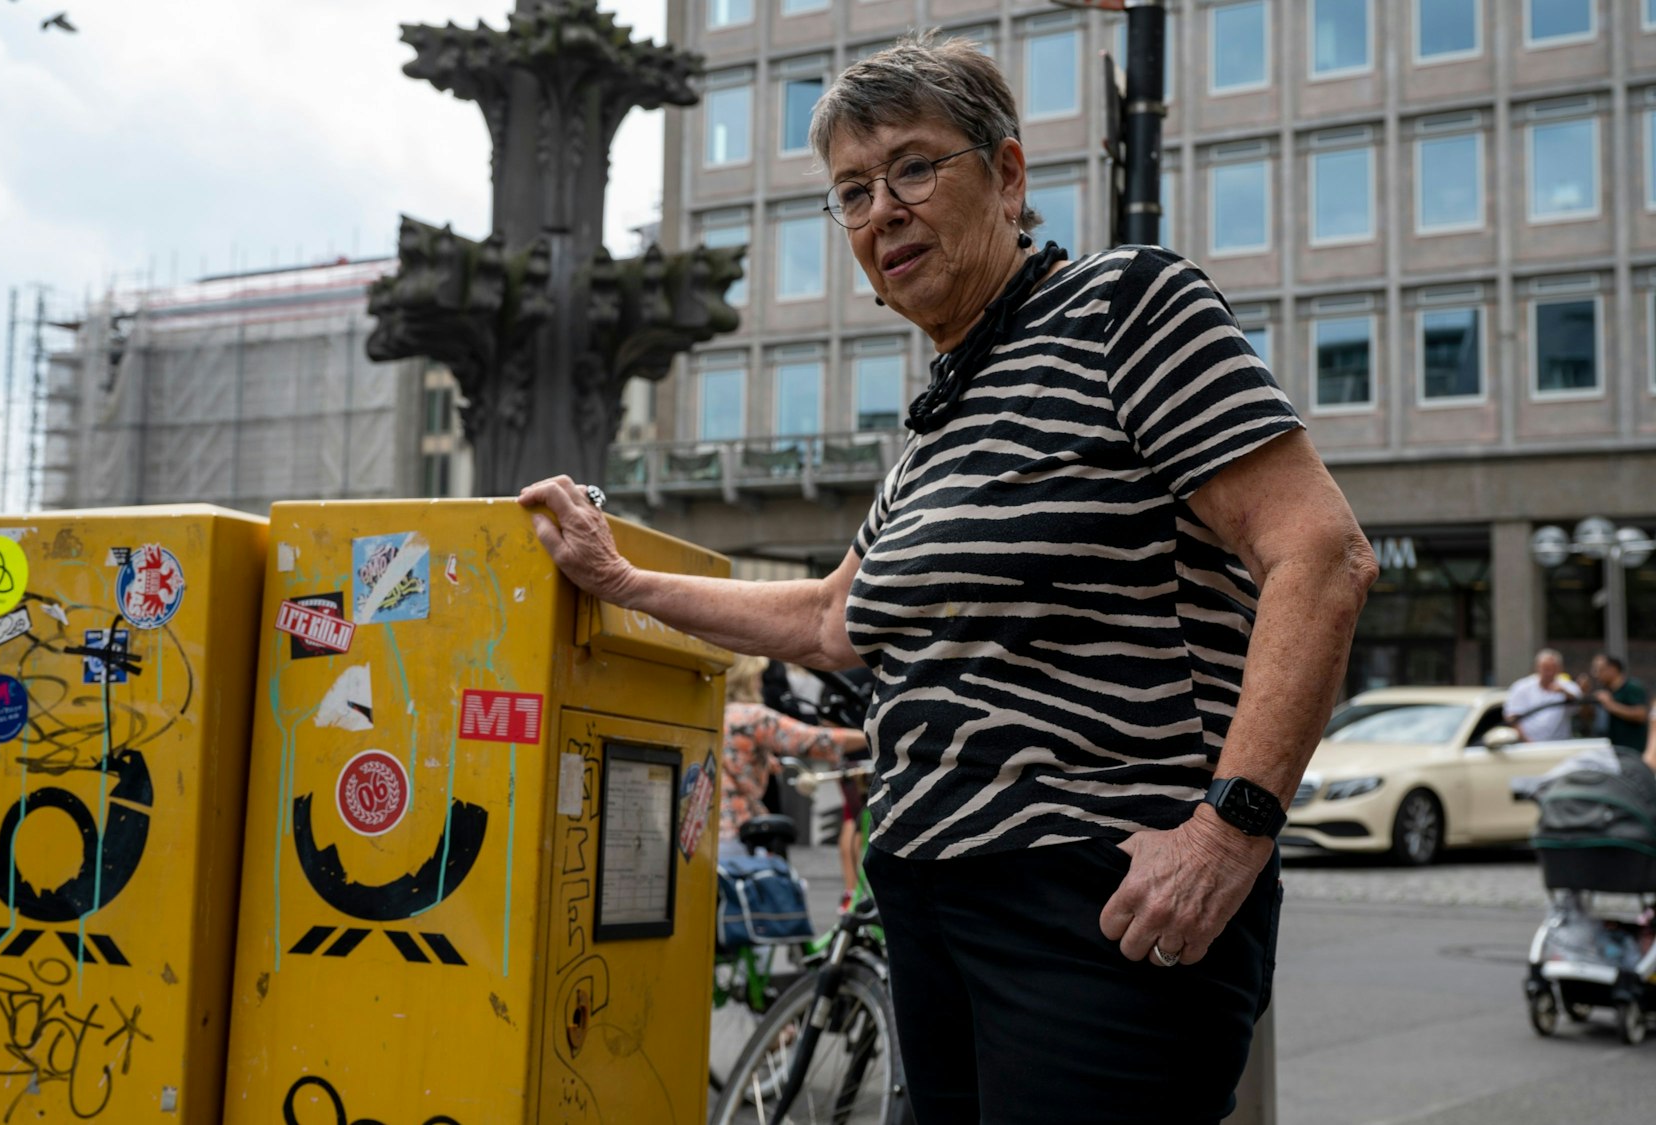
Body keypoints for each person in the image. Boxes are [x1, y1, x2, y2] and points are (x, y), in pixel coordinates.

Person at [519, 33, 1377, 1123]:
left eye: (914, 167)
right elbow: (832, 616)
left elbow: (1318, 551)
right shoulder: (934, 427)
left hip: (1090, 906)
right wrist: (622, 578)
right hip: (927, 906)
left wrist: (1232, 826)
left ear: (1007, 174)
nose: (881, 210)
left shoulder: (1125, 309)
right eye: (851, 191)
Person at [718, 655, 867, 859]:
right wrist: (870, 735)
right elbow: (812, 741)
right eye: (758, 677)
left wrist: (762, 759)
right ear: (748, 678)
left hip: (710, 828)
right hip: (740, 829)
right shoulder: (753, 716)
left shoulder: (718, 712)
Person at [1505, 648, 1582, 743]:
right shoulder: (1521, 688)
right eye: (1545, 669)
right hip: (1528, 747)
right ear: (1537, 668)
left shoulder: (1567, 686)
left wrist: (1564, 692)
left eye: (1552, 669)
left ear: (1559, 669)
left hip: (1560, 746)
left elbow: (1579, 705)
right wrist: (1527, 742)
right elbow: (1512, 717)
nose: (1548, 673)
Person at [1579, 653, 1648, 752]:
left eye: (1599, 670)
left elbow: (1641, 715)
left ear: (1612, 669)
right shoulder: (1605, 692)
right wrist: (1584, 695)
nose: (1595, 674)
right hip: (1610, 751)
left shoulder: (1632, 688)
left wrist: (1611, 705)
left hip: (1631, 751)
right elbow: (1588, 717)